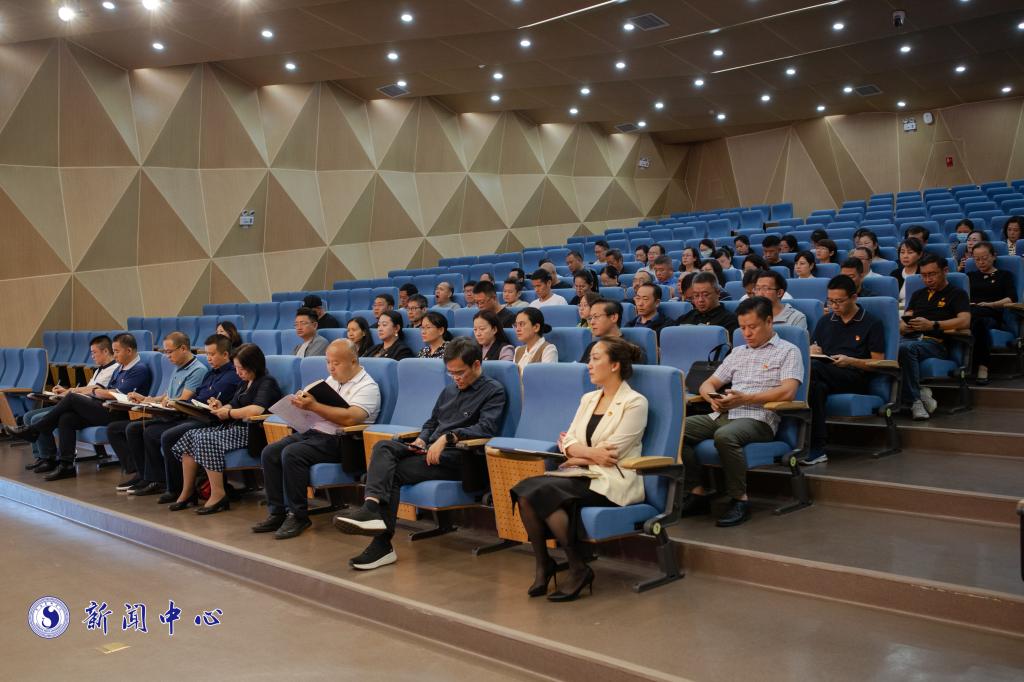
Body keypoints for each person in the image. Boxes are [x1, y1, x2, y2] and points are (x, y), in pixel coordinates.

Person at [333, 338, 507, 570]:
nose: (455, 378)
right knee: (383, 447)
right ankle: (371, 508)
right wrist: (422, 439)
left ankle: (381, 544)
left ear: (476, 364)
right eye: (451, 373)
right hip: (428, 451)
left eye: (460, 372)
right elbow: (432, 422)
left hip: (457, 458)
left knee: (393, 473)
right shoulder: (449, 390)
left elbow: (486, 428)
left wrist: (448, 438)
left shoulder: (493, 391)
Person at [511, 337, 647, 601]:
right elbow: (567, 441)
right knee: (525, 491)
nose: (589, 365)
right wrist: (582, 454)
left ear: (615, 365)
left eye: (595, 359)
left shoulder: (635, 402)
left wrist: (578, 454)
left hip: (612, 479)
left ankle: (577, 567)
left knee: (542, 492)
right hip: (582, 473)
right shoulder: (588, 398)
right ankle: (545, 564)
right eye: (589, 359)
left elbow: (613, 453)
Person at [680, 297, 803, 527]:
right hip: (725, 413)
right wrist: (712, 398)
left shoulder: (788, 351)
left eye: (752, 327)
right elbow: (708, 383)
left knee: (725, 436)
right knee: (679, 430)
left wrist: (745, 399)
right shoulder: (738, 352)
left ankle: (739, 500)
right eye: (742, 327)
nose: (746, 333)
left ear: (769, 321)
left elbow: (788, 391)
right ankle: (697, 493)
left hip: (759, 418)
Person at [255, 339, 381, 539]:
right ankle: (277, 513)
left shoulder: (368, 387)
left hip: (342, 440)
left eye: (336, 363)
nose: (331, 368)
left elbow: (351, 418)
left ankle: (298, 516)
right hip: (315, 433)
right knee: (270, 452)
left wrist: (314, 406)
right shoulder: (332, 381)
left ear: (353, 361)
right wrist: (301, 405)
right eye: (328, 362)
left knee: (292, 454)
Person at [13, 333, 153, 482]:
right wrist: (98, 391)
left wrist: (96, 391)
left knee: (72, 398)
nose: (115, 355)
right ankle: (66, 465)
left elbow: (115, 394)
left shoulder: (139, 369)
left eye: (117, 351)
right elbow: (106, 391)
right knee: (67, 418)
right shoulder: (121, 368)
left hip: (117, 412)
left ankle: (35, 429)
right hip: (103, 406)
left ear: (129, 351)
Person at [170, 343, 282, 514]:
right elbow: (234, 403)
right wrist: (221, 406)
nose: (238, 372)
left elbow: (256, 410)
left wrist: (229, 413)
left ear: (254, 365)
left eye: (241, 368)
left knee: (205, 439)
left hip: (252, 431)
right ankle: (188, 492)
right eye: (236, 368)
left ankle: (218, 495)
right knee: (190, 436)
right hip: (234, 427)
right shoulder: (245, 382)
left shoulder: (267, 382)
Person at [108, 332, 208, 496]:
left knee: (149, 432)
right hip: (168, 415)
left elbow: (182, 400)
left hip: (182, 417)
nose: (167, 356)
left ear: (183, 348)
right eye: (165, 352)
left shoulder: (197, 370)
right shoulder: (178, 367)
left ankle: (157, 479)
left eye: (170, 351)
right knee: (133, 429)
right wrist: (146, 399)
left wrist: (164, 403)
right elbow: (166, 396)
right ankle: (144, 475)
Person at [804, 276, 886, 465]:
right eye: (830, 301)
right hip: (825, 372)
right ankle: (817, 448)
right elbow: (815, 347)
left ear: (854, 297)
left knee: (812, 370)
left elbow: (879, 362)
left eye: (839, 301)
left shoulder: (872, 322)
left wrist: (851, 361)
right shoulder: (825, 321)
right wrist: (812, 350)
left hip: (855, 376)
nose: (834, 306)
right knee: (815, 387)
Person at [156, 334, 243, 504]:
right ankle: (172, 485)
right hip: (196, 415)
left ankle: (176, 489)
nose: (208, 358)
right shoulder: (210, 374)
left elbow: (223, 404)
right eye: (207, 354)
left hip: (212, 421)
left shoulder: (233, 375)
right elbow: (197, 397)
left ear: (225, 354)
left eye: (212, 354)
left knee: (169, 436)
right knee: (150, 430)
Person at [15, 335, 118, 474]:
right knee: (29, 416)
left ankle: (48, 457)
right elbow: (84, 391)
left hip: (89, 408)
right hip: (78, 404)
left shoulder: (113, 369)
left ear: (105, 351)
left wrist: (71, 392)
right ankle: (41, 456)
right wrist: (66, 391)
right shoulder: (100, 369)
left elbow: (92, 391)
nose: (92, 356)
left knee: (37, 419)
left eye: (94, 352)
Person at [899, 253, 971, 420]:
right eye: (923, 275)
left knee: (906, 348)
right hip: (911, 338)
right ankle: (920, 393)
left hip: (936, 343)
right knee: (891, 347)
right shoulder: (918, 294)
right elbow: (904, 321)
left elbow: (965, 321)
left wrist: (933, 325)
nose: (927, 279)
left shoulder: (957, 293)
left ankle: (915, 401)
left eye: (932, 274)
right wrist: (906, 326)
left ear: (945, 271)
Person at [967, 241, 1017, 384]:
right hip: (972, 311)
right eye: (977, 259)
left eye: (984, 258)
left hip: (992, 313)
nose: (981, 262)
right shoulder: (970, 276)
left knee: (980, 322)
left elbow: (1011, 298)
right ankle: (976, 365)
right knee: (976, 320)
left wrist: (991, 304)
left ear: (994, 256)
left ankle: (981, 366)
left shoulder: (1004, 275)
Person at [890, 237, 924, 309]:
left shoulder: (924, 274)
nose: (905, 256)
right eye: (902, 252)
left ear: (920, 255)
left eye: (910, 252)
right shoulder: (895, 274)